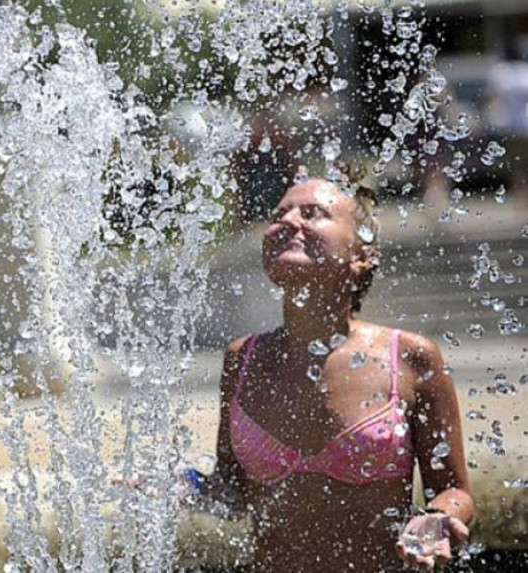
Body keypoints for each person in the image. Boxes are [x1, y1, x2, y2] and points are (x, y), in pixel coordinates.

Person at [190, 171, 474, 572]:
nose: (288, 222)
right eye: (279, 214)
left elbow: (454, 490)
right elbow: (232, 491)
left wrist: (439, 518)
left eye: (313, 213)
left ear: (361, 254)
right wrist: (180, 486)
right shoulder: (243, 358)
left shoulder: (410, 358)